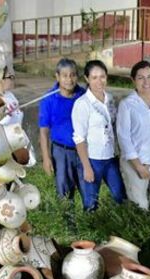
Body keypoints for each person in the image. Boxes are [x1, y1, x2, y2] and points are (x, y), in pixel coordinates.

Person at [117, 60, 150, 215]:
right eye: (140, 78)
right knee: (139, 205)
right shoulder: (127, 104)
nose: (146, 82)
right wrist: (138, 166)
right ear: (133, 80)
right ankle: (139, 238)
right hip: (135, 162)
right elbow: (123, 137)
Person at [72, 60, 125, 211]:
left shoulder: (110, 99)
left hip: (110, 157)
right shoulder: (82, 104)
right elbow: (79, 138)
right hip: (92, 159)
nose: (99, 81)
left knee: (120, 195)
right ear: (87, 79)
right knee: (91, 201)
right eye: (94, 77)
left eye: (102, 76)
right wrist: (87, 167)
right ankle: (90, 232)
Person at [38, 58, 86, 205]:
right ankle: (69, 226)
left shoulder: (84, 95)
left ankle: (92, 223)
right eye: (64, 75)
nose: (69, 79)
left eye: (72, 75)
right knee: (64, 195)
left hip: (85, 151)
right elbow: (44, 132)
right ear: (57, 77)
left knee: (89, 191)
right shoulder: (49, 99)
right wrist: (46, 158)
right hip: (61, 152)